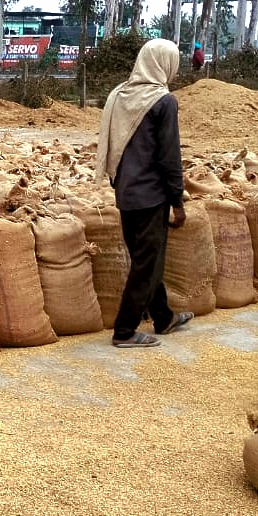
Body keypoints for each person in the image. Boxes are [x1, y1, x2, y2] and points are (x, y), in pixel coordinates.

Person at [97, 38, 192, 348]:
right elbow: (169, 157)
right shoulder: (163, 102)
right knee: (147, 265)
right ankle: (124, 330)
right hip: (152, 196)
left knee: (145, 258)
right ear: (164, 64)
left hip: (125, 192)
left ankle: (163, 316)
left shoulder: (120, 95)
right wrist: (177, 200)